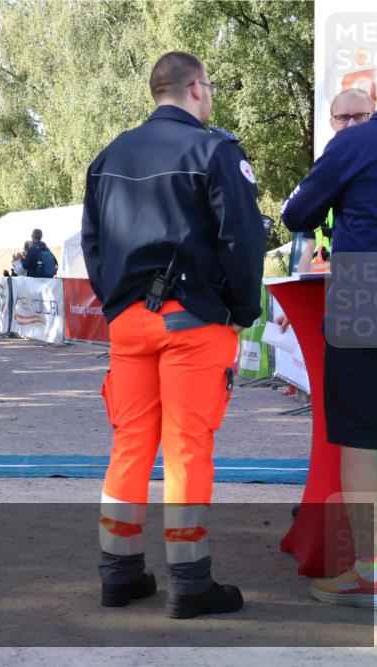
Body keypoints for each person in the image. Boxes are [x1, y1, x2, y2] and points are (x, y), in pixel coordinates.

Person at [82, 51, 265, 619]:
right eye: (209, 89)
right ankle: (190, 583)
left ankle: (120, 574)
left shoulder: (109, 156)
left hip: (129, 324)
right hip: (193, 321)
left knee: (130, 445)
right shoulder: (215, 150)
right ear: (196, 88)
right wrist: (241, 308)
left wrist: (119, 303)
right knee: (187, 450)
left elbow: (92, 243)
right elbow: (242, 239)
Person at [280, 73, 377, 609]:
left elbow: (297, 213)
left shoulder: (357, 143)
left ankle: (374, 577)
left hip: (368, 292)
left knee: (361, 438)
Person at [292, 88, 375, 274]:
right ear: (332, 122)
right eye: (344, 117)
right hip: (334, 288)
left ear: (374, 117)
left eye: (360, 116)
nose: (352, 125)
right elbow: (308, 245)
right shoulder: (324, 174)